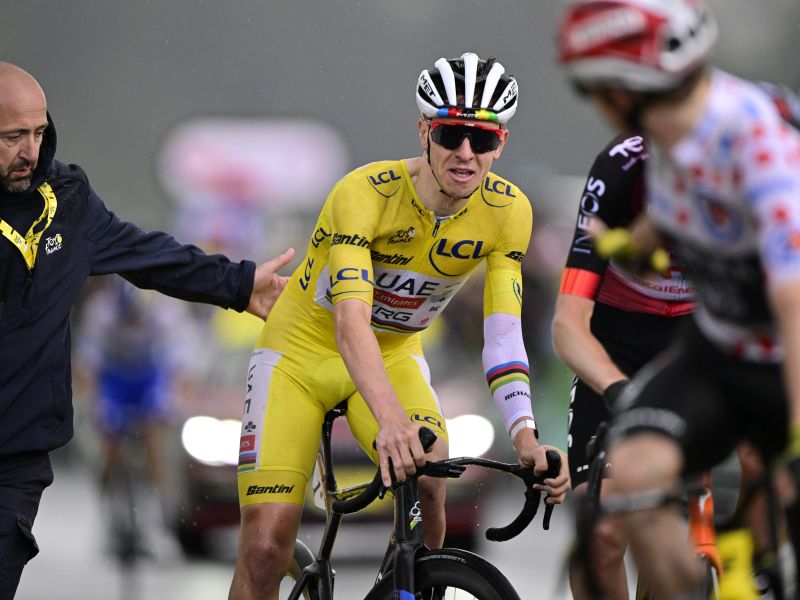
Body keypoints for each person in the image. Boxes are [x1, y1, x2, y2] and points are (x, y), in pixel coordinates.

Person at [228, 52, 571, 600]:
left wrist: (525, 436)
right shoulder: (364, 194)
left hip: (390, 355)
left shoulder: (509, 213)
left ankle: (407, 583)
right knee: (266, 548)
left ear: (500, 144)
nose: (466, 153)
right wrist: (390, 420)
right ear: (424, 132)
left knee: (431, 474)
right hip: (299, 355)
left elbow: (503, 334)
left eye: (482, 139)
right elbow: (350, 322)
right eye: (451, 134)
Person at [0, 61, 293, 598]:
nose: (31, 152)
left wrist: (238, 283)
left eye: (39, 132)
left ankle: (156, 513)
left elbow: (147, 255)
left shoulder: (67, 201)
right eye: (13, 137)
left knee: (153, 435)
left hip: (15, 460)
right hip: (107, 378)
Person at [557, 0, 800, 597]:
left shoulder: (755, 141)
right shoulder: (664, 138)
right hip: (714, 349)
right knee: (630, 482)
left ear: (623, 91)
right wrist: (630, 244)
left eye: (595, 93)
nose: (598, 107)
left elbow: (790, 296)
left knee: (780, 490)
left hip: (781, 350)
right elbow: (673, 210)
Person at [551, 132, 694, 599]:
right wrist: (619, 390)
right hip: (616, 345)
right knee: (602, 536)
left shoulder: (756, 162)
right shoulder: (621, 168)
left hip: (698, 344)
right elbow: (567, 325)